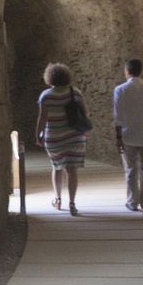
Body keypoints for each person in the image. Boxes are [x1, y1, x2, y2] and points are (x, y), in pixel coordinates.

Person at [33, 62, 89, 216]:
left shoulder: (46, 96)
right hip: (75, 136)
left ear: (49, 78)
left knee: (57, 168)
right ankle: (72, 203)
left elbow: (42, 118)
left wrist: (38, 134)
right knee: (72, 170)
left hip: (54, 137)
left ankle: (58, 199)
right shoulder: (75, 92)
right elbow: (85, 113)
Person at [113, 58, 143, 218]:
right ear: (141, 71)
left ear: (127, 71)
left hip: (128, 136)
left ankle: (132, 202)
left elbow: (118, 116)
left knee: (131, 170)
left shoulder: (120, 90)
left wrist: (118, 137)